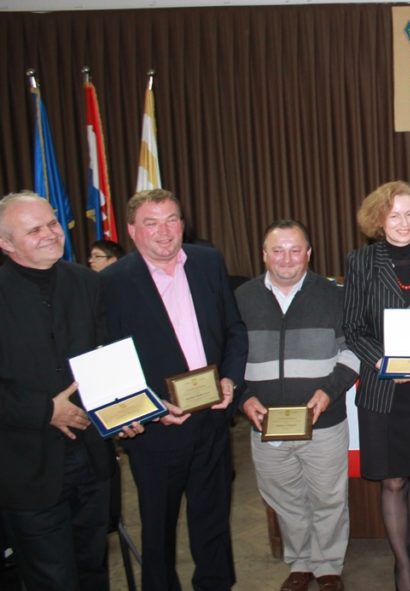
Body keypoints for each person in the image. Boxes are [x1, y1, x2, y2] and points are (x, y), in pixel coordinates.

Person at [101, 189, 248, 591]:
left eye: (172, 220)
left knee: (213, 521)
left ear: (183, 224)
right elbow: (110, 360)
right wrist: (148, 406)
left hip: (213, 423)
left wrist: (230, 380)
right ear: (132, 230)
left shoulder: (208, 261)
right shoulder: (112, 282)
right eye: (151, 223)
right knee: (158, 530)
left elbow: (234, 331)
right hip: (157, 431)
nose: (164, 232)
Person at [0, 192, 141, 590]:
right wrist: (44, 411)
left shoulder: (85, 281)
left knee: (93, 568)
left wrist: (124, 410)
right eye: (34, 229)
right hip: (29, 468)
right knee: (52, 579)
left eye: (52, 223)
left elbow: (104, 355)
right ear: (6, 244)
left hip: (93, 460)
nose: (50, 233)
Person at [341, 181, 410, 591]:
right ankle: (402, 565)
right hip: (383, 387)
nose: (404, 222)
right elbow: (352, 328)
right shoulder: (360, 262)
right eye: (394, 215)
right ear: (378, 220)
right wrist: (382, 361)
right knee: (393, 480)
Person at [235, 219, 359, 591]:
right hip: (266, 424)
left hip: (323, 420)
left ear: (308, 253)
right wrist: (243, 396)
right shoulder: (241, 299)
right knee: (285, 499)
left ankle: (327, 566)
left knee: (328, 497)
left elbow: (353, 351)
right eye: (277, 250)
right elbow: (226, 357)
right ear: (263, 255)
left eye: (295, 250)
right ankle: (301, 561)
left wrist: (330, 390)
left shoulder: (336, 295)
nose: (286, 258)